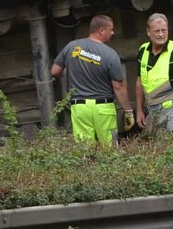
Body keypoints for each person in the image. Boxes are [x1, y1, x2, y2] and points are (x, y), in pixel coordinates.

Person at [51, 15, 134, 145]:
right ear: (101, 30)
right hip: (103, 108)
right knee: (110, 149)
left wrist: (71, 70)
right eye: (110, 30)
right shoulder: (110, 54)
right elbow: (118, 87)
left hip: (80, 108)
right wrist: (128, 112)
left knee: (85, 151)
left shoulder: (72, 46)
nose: (113, 33)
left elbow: (55, 71)